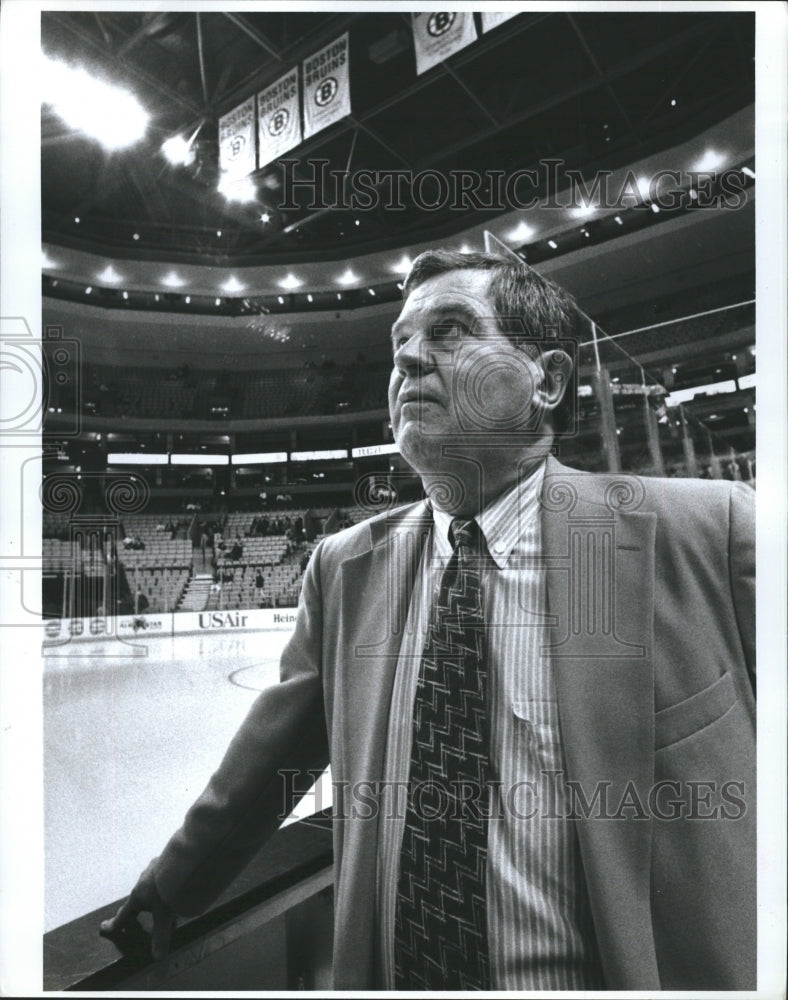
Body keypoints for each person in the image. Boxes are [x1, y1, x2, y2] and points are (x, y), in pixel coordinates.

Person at [101, 250, 755, 991]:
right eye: (399, 344)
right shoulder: (343, 568)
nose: (409, 357)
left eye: (449, 331)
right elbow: (265, 764)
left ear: (548, 379)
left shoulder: (711, 534)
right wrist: (174, 886)